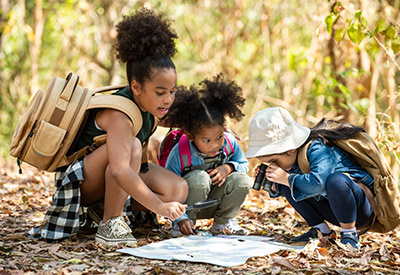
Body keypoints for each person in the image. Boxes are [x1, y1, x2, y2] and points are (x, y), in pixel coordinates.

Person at [35, 8, 188, 246]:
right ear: (136, 87)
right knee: (134, 147)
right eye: (160, 92)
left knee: (177, 189)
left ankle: (103, 209)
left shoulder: (151, 107)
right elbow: (119, 170)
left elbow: (184, 119)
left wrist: (219, 129)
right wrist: (159, 206)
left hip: (112, 174)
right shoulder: (120, 115)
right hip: (80, 184)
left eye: (172, 91)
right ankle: (109, 222)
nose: (168, 99)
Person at [245, 107, 375, 250]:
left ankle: (349, 235)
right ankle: (321, 231)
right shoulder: (291, 160)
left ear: (290, 148)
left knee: (335, 180)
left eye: (273, 160)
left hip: (359, 210)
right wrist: (274, 183)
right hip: (332, 209)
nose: (272, 165)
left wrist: (287, 178)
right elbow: (290, 188)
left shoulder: (318, 148)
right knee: (288, 183)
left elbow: (319, 184)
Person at [163, 74, 253, 236]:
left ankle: (223, 223)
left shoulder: (229, 143)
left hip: (216, 202)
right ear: (191, 136)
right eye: (206, 140)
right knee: (199, 178)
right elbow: (169, 189)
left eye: (219, 136)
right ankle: (185, 225)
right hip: (188, 206)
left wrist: (228, 167)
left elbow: (244, 165)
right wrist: (180, 218)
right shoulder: (180, 153)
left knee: (243, 180)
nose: (215, 144)